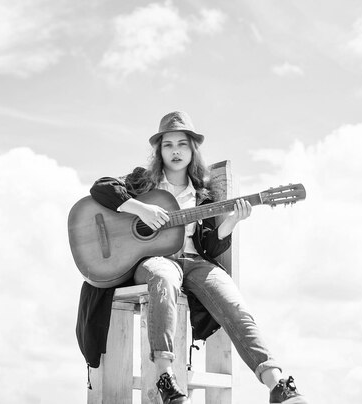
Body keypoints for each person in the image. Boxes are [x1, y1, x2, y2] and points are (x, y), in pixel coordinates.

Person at [79, 111, 308, 404]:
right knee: (163, 277)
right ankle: (166, 377)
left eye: (182, 144)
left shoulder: (204, 194)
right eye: (168, 145)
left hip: (194, 263)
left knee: (232, 300)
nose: (176, 151)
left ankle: (276, 385)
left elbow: (209, 249)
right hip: (156, 261)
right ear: (159, 151)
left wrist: (231, 222)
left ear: (192, 150)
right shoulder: (143, 181)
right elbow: (100, 188)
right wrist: (140, 209)